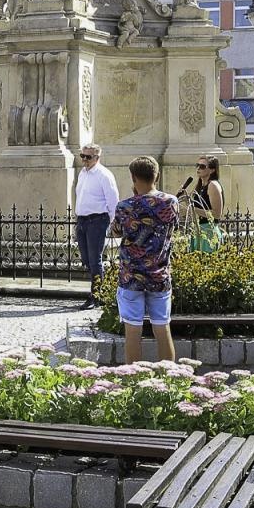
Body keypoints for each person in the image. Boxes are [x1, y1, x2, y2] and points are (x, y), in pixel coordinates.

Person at [111, 156, 180, 364]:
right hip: (159, 274)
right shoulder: (170, 202)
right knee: (162, 326)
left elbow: (114, 231)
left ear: (133, 177)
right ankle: (168, 377)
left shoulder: (125, 206)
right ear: (156, 175)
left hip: (131, 275)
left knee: (132, 329)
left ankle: (133, 379)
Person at [74, 143, 120, 303]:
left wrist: (114, 223)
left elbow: (113, 200)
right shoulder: (83, 173)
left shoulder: (104, 175)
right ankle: (101, 286)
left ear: (97, 157)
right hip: (82, 220)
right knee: (86, 258)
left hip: (97, 220)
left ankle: (96, 295)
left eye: (88, 157)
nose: (84, 160)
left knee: (95, 259)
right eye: (82, 156)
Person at [181, 156, 225, 253]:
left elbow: (217, 214)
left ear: (212, 170)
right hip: (199, 229)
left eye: (202, 166)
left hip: (209, 231)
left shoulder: (213, 185)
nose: (198, 168)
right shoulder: (201, 186)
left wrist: (193, 209)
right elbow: (198, 206)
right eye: (197, 165)